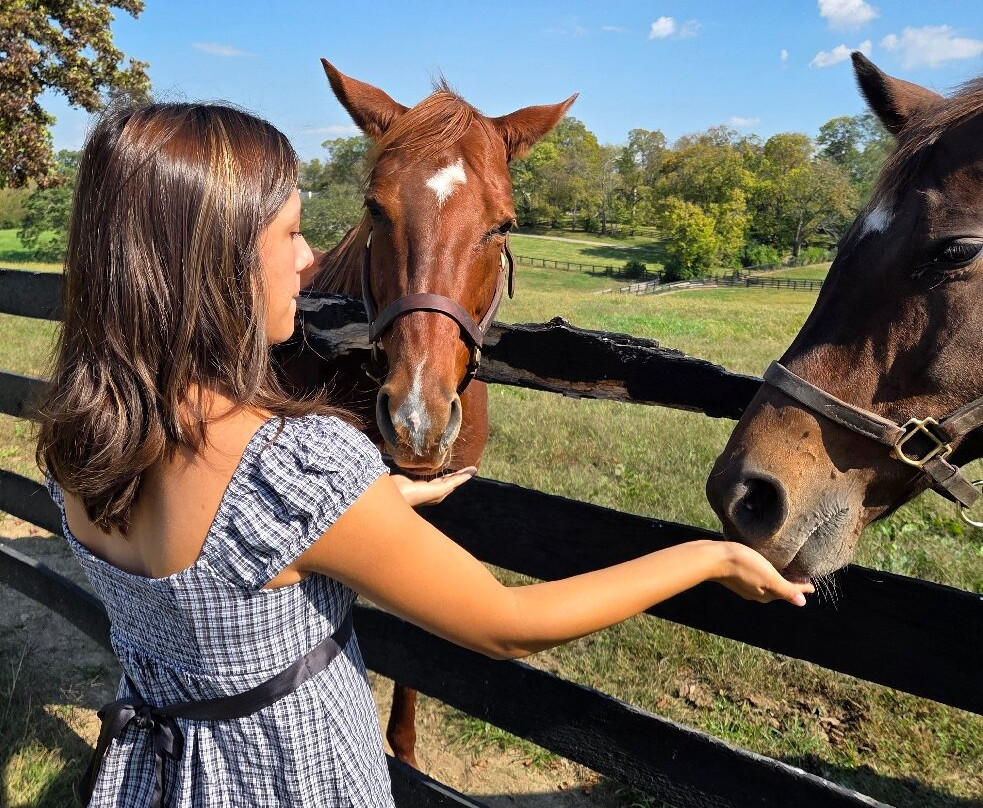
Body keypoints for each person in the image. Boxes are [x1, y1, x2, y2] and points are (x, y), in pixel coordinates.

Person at [36, 101, 814, 808]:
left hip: (154, 778)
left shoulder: (78, 437)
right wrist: (708, 559)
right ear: (213, 263)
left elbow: (228, 561)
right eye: (292, 233)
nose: (312, 263)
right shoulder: (298, 470)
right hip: (295, 777)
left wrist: (367, 513)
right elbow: (510, 624)